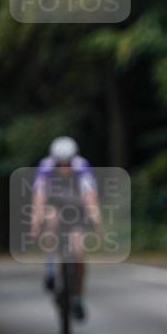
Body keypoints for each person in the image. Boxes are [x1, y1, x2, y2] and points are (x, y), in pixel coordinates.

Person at [30, 136, 102, 321]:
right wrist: (36, 224)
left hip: (75, 210)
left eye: (67, 163)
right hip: (54, 207)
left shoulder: (82, 167)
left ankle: (78, 298)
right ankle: (51, 270)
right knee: (51, 219)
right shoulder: (45, 167)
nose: (64, 167)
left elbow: (90, 197)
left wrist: (97, 223)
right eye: (59, 163)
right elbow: (39, 198)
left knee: (79, 253)